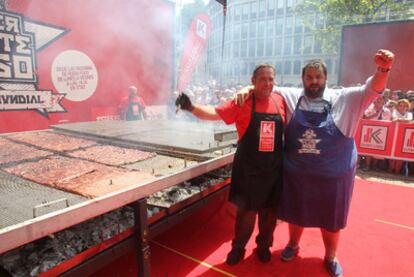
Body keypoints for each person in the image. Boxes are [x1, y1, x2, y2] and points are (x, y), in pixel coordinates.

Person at [235, 49, 394, 277]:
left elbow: (373, 89)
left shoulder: (346, 98)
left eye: (318, 77)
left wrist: (383, 69)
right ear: (303, 79)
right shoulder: (291, 96)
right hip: (298, 174)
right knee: (296, 213)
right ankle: (292, 245)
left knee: (332, 220)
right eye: (309, 77)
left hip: (334, 177)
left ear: (326, 78)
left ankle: (330, 256)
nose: (313, 81)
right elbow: (265, 87)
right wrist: (246, 88)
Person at [175, 64, 286, 265]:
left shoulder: (280, 101)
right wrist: (190, 107)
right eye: (263, 79)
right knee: (246, 215)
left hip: (273, 171)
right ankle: (238, 248)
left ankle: (263, 246)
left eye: (271, 79)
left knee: (270, 215)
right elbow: (213, 113)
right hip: (249, 170)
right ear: (253, 81)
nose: (267, 83)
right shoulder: (242, 101)